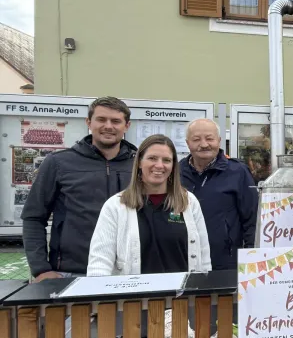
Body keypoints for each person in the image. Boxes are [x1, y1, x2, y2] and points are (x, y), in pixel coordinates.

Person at [22, 97, 137, 280]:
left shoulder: (140, 165)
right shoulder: (58, 163)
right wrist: (41, 269)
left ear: (127, 126)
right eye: (101, 119)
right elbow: (33, 217)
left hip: (128, 274)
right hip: (70, 272)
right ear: (88, 122)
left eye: (116, 121)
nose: (108, 126)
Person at [88, 135, 211, 275]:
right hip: (135, 295)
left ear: (173, 166)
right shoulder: (116, 205)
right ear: (139, 162)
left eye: (166, 160)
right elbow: (99, 262)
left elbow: (204, 256)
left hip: (181, 295)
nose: (159, 165)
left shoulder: (189, 202)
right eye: (152, 158)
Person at [180, 119, 257, 270]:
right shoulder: (176, 172)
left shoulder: (238, 172)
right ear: (188, 143)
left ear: (219, 141)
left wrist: (251, 258)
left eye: (209, 138)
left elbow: (252, 219)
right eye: (196, 139)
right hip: (184, 260)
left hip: (226, 262)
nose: (203, 144)